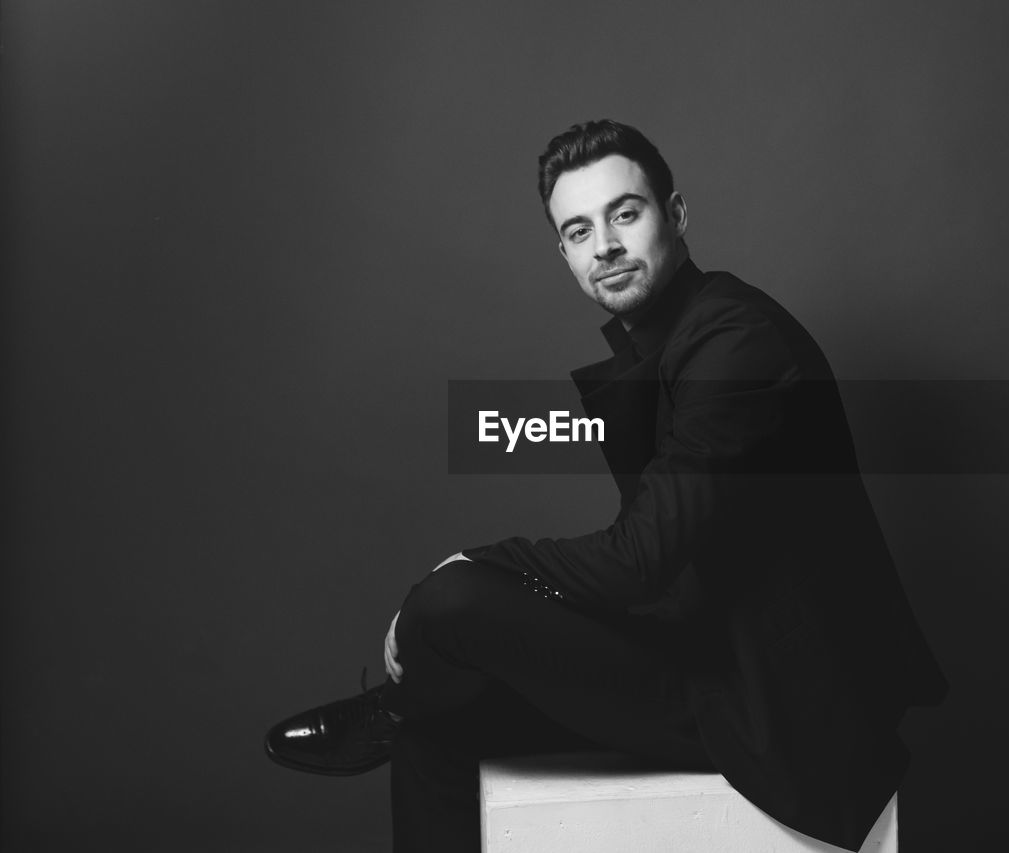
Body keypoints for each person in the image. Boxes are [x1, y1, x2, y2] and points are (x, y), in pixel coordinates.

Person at [265, 119, 947, 852]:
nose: (607, 247)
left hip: (768, 703)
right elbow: (663, 573)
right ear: (563, 251)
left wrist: (478, 563)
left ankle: (392, 707)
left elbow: (638, 558)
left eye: (626, 214)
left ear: (675, 215)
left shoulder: (736, 342)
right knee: (438, 729)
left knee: (451, 600)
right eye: (580, 230)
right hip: (697, 655)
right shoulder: (675, 339)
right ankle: (403, 712)